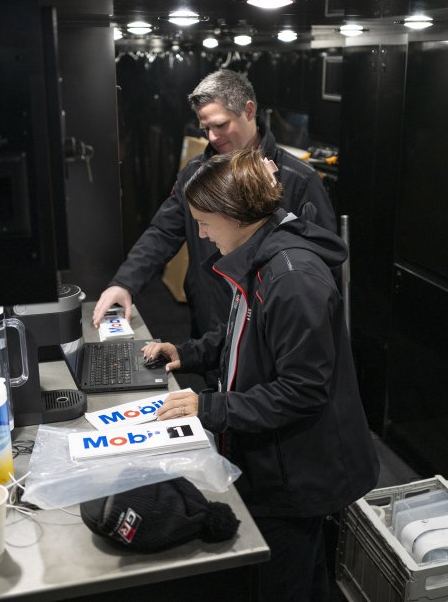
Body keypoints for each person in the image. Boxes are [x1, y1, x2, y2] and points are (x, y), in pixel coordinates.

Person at [142, 149, 378, 602]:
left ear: (235, 214)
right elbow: (242, 332)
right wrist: (187, 354)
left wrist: (209, 406)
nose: (202, 234)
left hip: (297, 472)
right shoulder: (258, 255)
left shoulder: (292, 279)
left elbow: (302, 392)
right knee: (303, 577)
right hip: (277, 459)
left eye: (204, 222)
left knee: (284, 579)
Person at [92, 69, 336, 340]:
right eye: (206, 128)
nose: (212, 137)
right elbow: (163, 231)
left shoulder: (299, 179)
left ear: (249, 110)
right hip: (209, 318)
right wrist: (125, 282)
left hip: (270, 327)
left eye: (220, 125)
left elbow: (322, 264)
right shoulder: (194, 174)